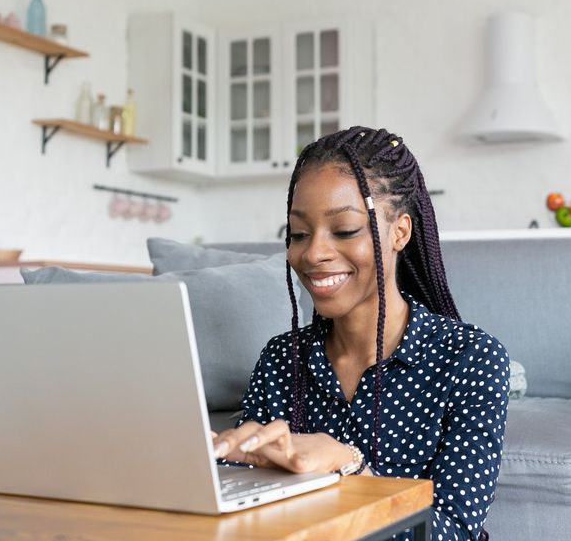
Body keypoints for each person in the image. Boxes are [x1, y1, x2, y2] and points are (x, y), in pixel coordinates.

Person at [212, 126, 509, 540]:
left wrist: (347, 465)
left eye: (345, 230)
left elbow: (452, 532)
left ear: (399, 232)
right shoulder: (282, 360)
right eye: (298, 234)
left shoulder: (471, 359)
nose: (313, 253)